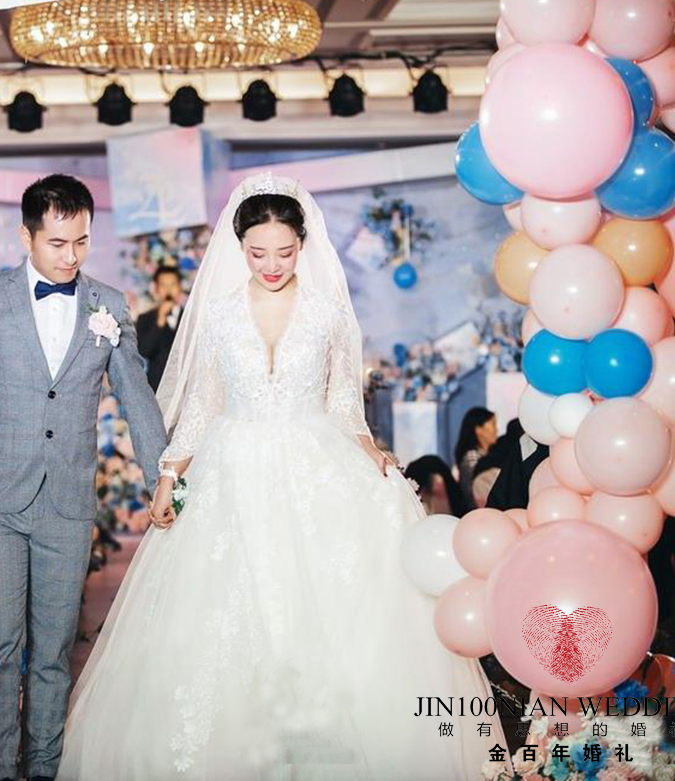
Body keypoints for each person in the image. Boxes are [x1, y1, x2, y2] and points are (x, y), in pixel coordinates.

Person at [57, 174, 500, 779]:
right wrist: (168, 476)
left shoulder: (327, 313)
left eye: (285, 252)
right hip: (231, 469)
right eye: (258, 253)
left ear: (303, 245)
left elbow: (344, 404)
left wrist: (373, 453)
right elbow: (203, 406)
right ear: (239, 247)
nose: (271, 265)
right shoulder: (217, 315)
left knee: (330, 607)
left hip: (314, 463)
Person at [0, 174, 167, 781]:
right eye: (58, 243)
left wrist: (161, 476)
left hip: (67, 502)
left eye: (82, 241)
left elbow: (137, 398)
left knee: (55, 649)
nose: (71, 256)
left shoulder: (108, 304)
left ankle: (44, 770)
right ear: (26, 237)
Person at [134, 265, 185, 391]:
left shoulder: (190, 318)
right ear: (156, 289)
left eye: (173, 285)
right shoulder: (145, 319)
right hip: (156, 386)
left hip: (184, 384)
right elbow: (143, 351)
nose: (168, 290)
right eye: (163, 285)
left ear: (180, 287)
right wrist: (160, 321)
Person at [454, 407, 498, 513]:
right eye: (493, 425)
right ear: (479, 430)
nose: (497, 430)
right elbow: (471, 494)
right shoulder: (472, 458)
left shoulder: (488, 455)